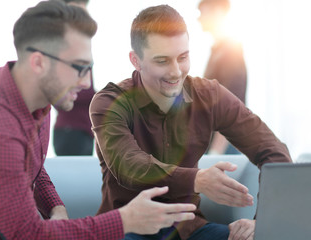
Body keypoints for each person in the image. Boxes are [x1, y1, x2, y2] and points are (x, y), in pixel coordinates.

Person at [0, 1, 197, 239]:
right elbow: (29, 234)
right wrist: (125, 220)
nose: (87, 83)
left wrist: (56, 206)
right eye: (79, 67)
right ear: (38, 63)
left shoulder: (35, 97)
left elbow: (29, 164)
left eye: (90, 68)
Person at [89, 4, 292, 240]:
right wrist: (196, 179)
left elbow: (274, 152)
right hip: (127, 230)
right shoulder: (109, 102)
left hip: (188, 230)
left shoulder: (210, 95)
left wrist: (263, 222)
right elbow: (129, 165)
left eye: (183, 57)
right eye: (162, 61)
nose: (176, 72)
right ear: (136, 60)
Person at [198, 0, 247, 155]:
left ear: (218, 11)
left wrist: (215, 152)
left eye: (202, 13)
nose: (199, 18)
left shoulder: (230, 50)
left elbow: (231, 105)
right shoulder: (217, 52)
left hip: (225, 146)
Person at [53, 0, 95, 156]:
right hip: (71, 130)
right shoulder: (60, 50)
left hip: (82, 129)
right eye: (77, 13)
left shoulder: (82, 47)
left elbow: (86, 87)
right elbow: (58, 92)